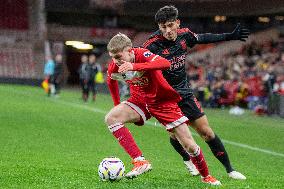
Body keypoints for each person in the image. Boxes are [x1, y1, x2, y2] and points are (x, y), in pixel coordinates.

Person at [142, 5, 249, 179]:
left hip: (184, 93)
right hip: (165, 98)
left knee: (206, 132)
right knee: (176, 135)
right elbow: (135, 57)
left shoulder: (185, 35)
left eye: (170, 25)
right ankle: (188, 160)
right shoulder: (151, 45)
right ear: (159, 27)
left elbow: (204, 38)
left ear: (177, 22)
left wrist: (230, 36)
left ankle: (230, 170)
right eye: (163, 27)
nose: (168, 31)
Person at [105, 33, 221, 185]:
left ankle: (206, 177)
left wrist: (135, 66)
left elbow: (165, 63)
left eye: (119, 56)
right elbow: (110, 80)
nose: (116, 61)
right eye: (113, 57)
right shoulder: (117, 64)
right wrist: (117, 104)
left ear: (130, 50)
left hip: (162, 102)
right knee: (111, 118)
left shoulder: (142, 54)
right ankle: (140, 162)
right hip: (140, 100)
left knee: (189, 145)